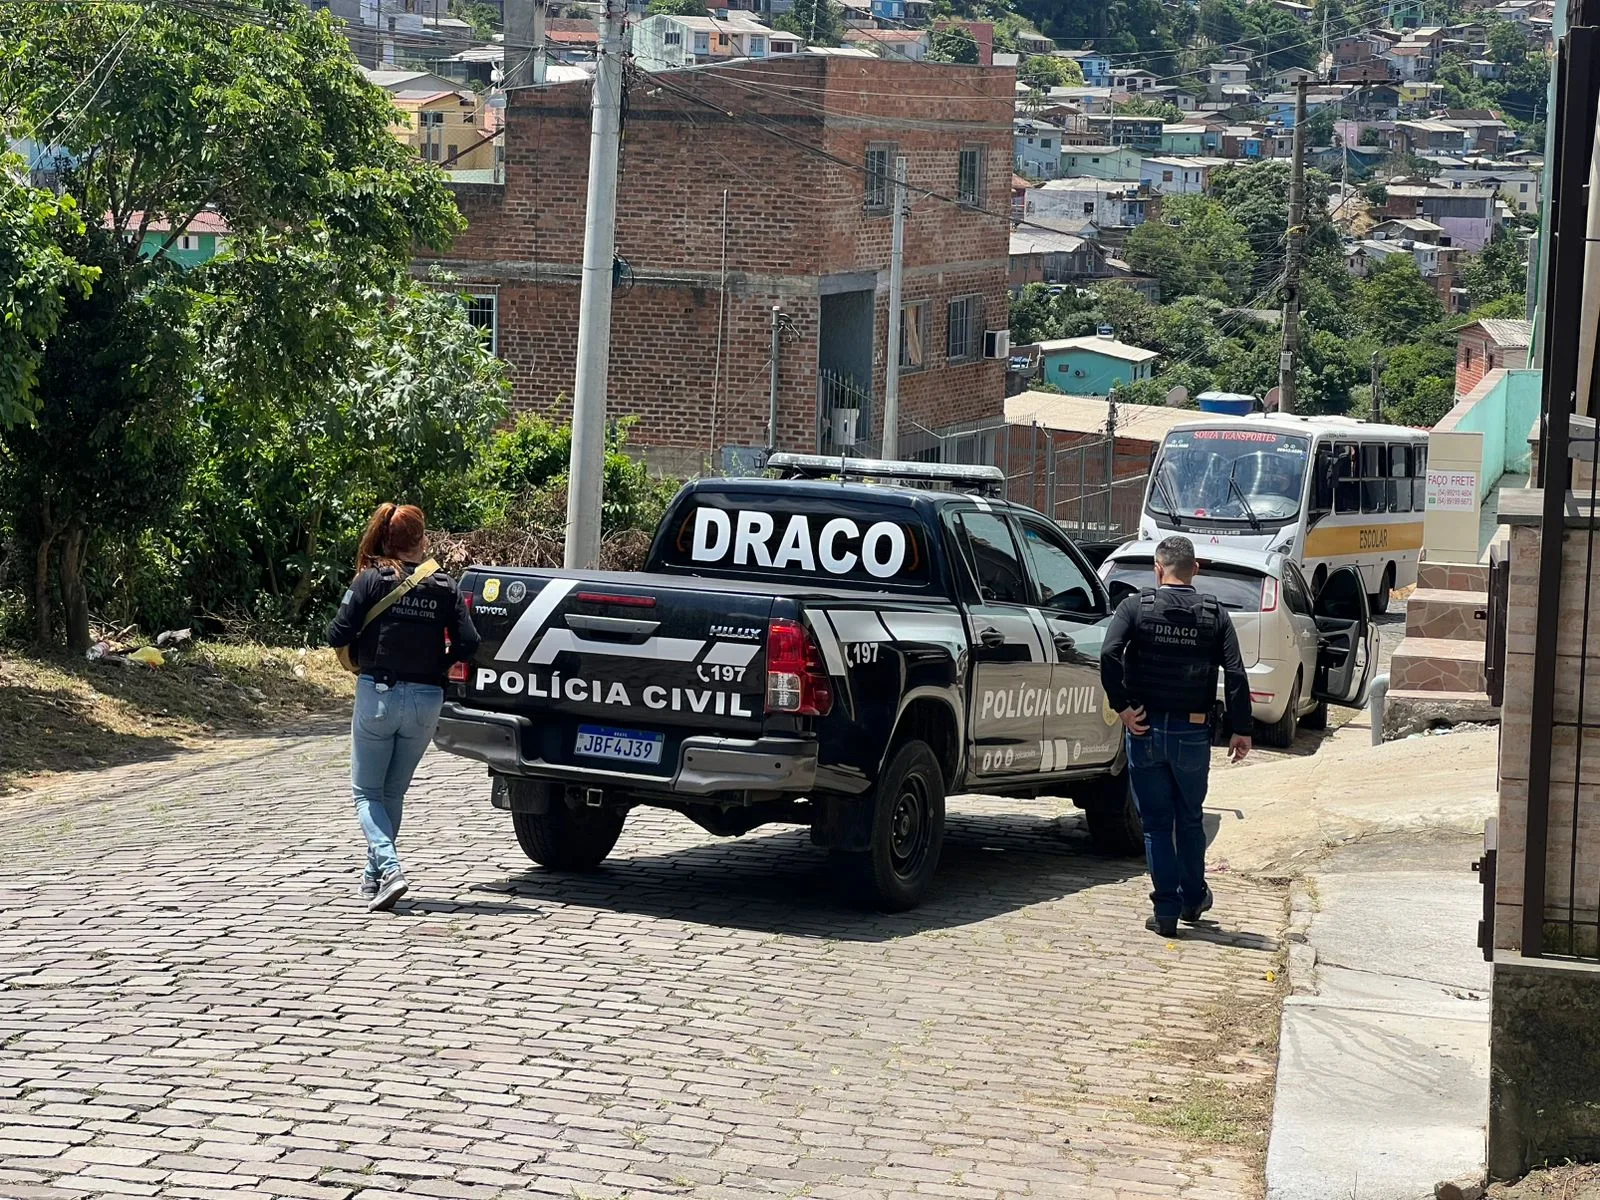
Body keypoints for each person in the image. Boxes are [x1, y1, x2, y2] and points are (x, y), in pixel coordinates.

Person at [326, 503, 479, 912]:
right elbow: (469, 641)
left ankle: (390, 868)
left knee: (364, 792)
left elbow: (335, 633)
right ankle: (373, 877)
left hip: (379, 693)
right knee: (392, 792)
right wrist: (439, 666)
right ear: (421, 539)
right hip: (427, 700)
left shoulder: (369, 580)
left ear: (384, 538)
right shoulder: (445, 585)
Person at [1099, 535, 1252, 938]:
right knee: (1188, 819)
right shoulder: (1214, 613)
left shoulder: (1135, 607)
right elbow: (1235, 672)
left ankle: (1167, 910)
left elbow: (1109, 653)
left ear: (1157, 567)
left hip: (1145, 728)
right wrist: (1241, 728)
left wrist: (1122, 706)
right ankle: (1193, 898)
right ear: (1195, 569)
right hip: (1192, 730)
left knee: (1155, 824)